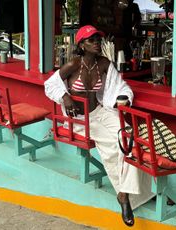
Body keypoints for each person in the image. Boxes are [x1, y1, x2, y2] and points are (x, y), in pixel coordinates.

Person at [44, 25, 154, 227]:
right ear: (81, 45)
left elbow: (121, 87)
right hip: (80, 120)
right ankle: (132, 195)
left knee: (129, 140)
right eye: (91, 40)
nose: (97, 43)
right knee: (113, 148)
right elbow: (49, 84)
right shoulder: (72, 65)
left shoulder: (104, 64)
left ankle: (124, 194)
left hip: (101, 113)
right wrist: (65, 97)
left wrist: (124, 98)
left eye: (98, 39)